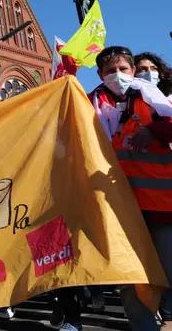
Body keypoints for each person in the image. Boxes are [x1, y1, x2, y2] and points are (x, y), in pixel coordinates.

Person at [89, 46, 172, 331]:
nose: (117, 75)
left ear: (132, 71)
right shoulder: (90, 104)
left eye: (123, 69)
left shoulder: (154, 100)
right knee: (129, 278)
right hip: (119, 209)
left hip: (162, 208)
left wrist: (155, 131)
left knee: (168, 272)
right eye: (110, 71)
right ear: (100, 74)